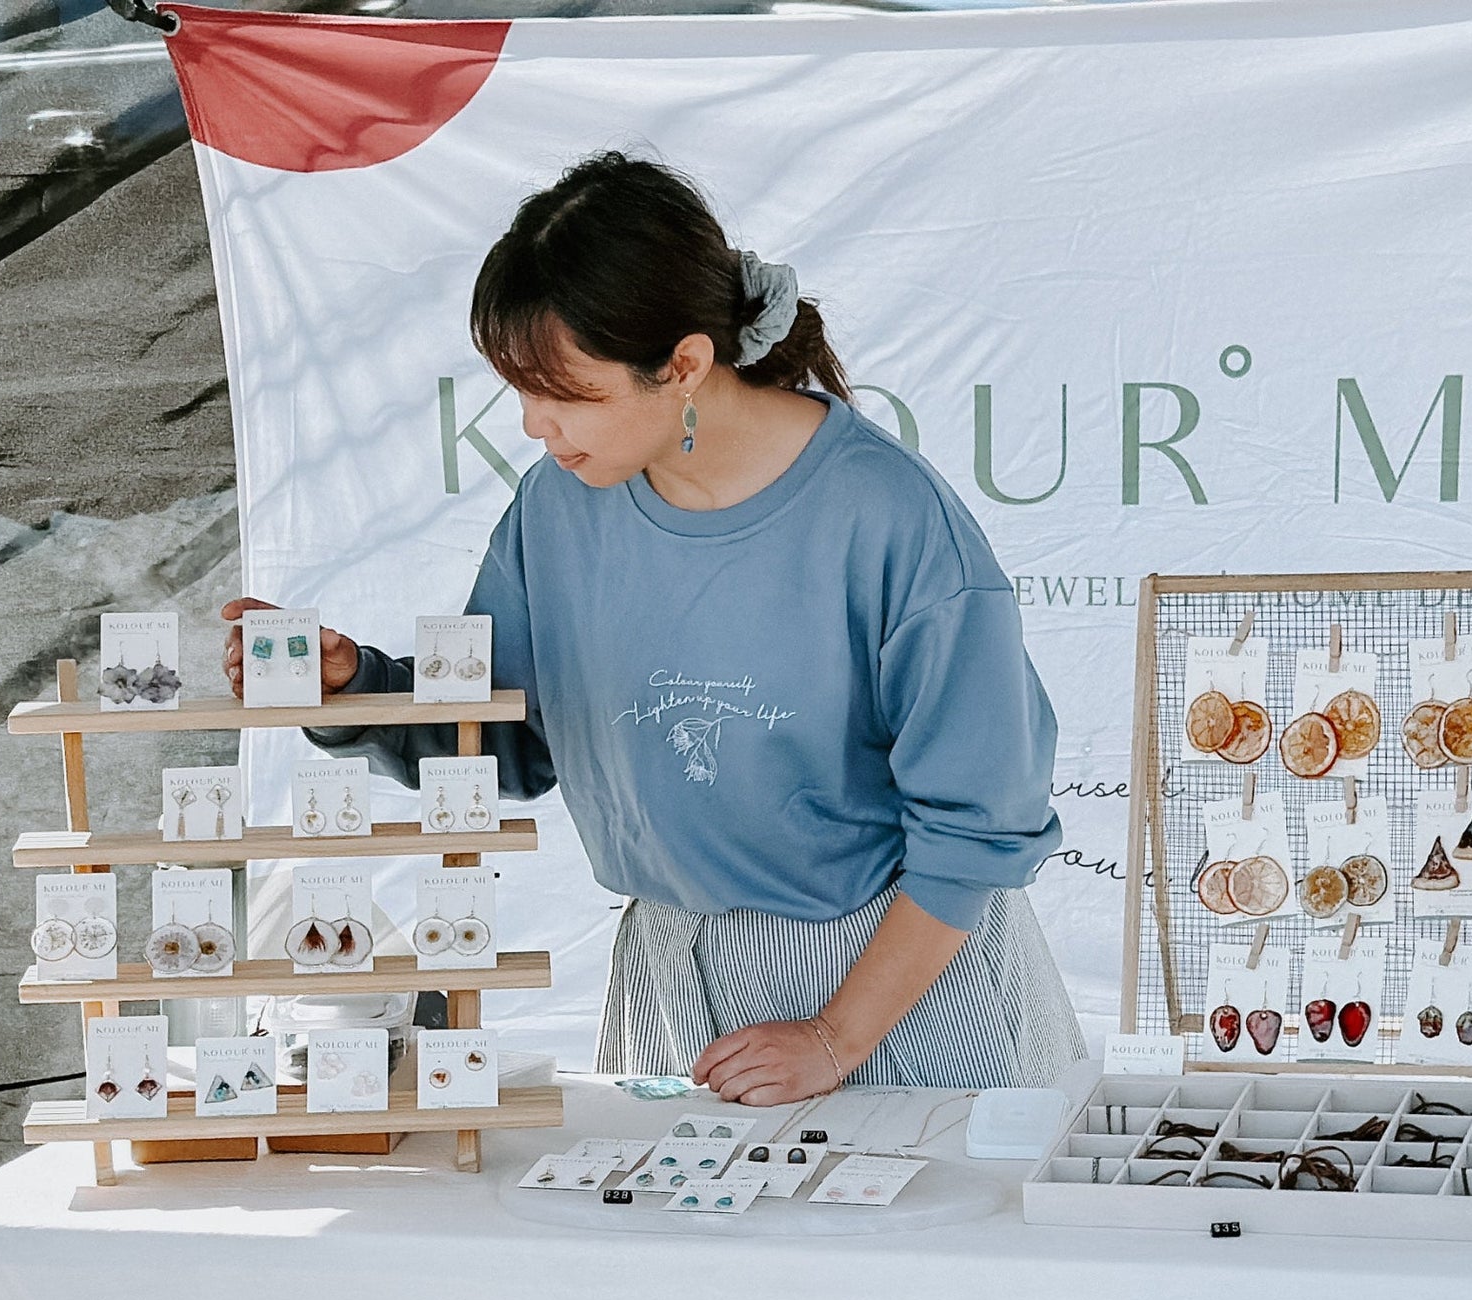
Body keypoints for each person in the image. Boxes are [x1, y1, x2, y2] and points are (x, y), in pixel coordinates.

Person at [222, 152, 1080, 1108]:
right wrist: (357, 687)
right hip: (676, 981)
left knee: (907, 1251)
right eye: (519, 388)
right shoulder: (557, 510)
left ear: (682, 366)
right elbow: (500, 740)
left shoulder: (887, 517)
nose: (534, 425)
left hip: (897, 988)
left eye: (565, 391)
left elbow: (978, 825)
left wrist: (836, 1037)